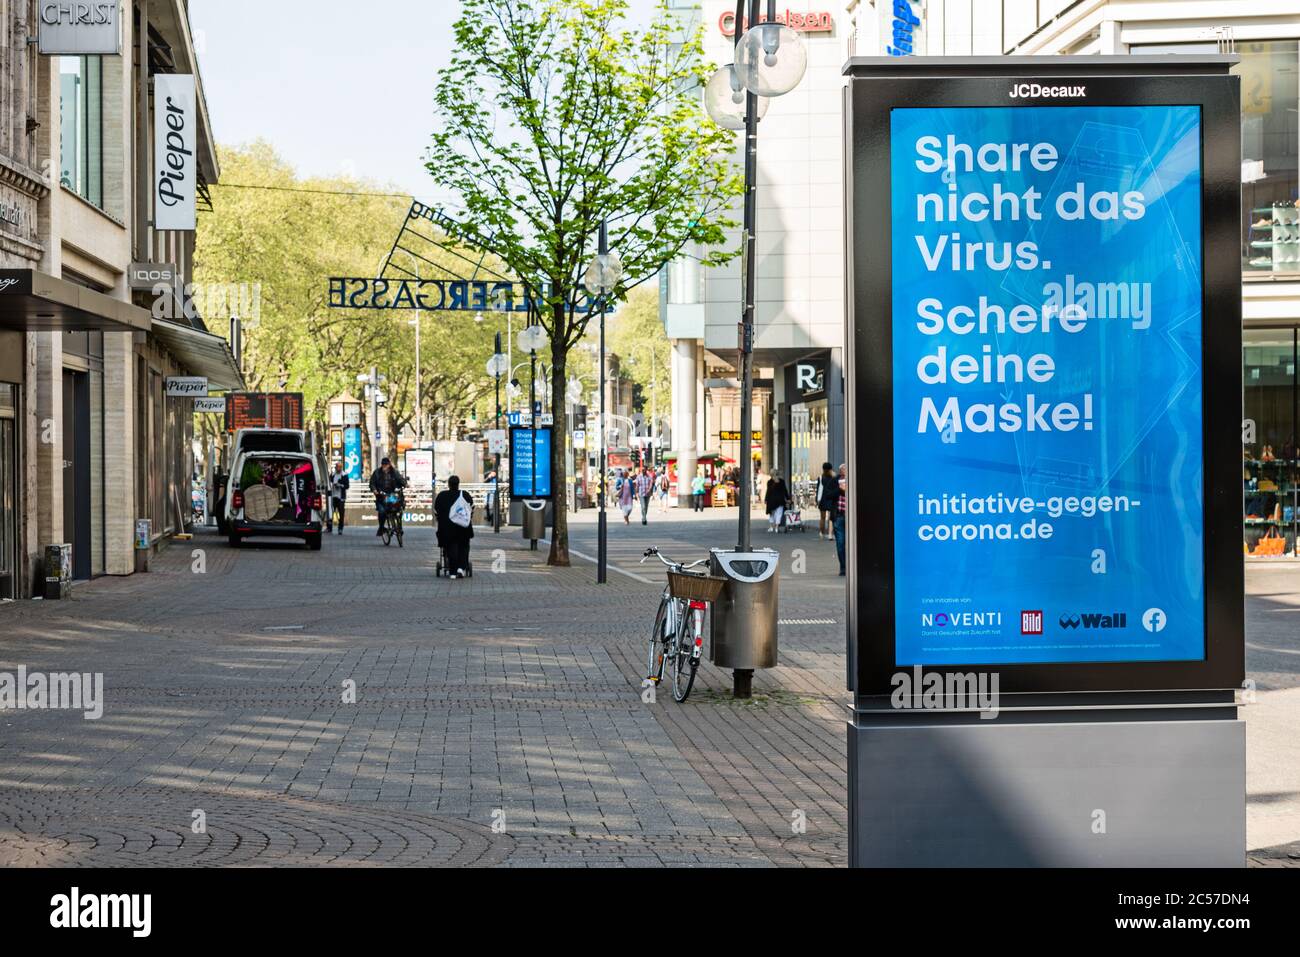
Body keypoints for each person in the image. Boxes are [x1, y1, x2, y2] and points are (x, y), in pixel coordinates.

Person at [434, 475, 475, 578]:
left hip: (446, 530)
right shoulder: (465, 495)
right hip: (462, 528)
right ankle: (461, 568)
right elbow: (471, 509)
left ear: (448, 484)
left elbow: (436, 512)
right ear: (458, 484)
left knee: (449, 546)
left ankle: (452, 572)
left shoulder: (441, 496)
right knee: (464, 545)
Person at [368, 457, 406, 538]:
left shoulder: (394, 472)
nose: (384, 466)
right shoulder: (377, 472)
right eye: (383, 464)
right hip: (381, 496)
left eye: (386, 464)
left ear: (389, 465)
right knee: (382, 511)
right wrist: (374, 490)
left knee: (399, 507)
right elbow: (372, 483)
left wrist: (405, 484)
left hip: (391, 495)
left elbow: (400, 479)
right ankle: (381, 527)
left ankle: (399, 526)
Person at [816, 461, 839, 540]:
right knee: (830, 518)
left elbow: (819, 489)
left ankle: (821, 533)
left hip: (822, 499)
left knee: (822, 517)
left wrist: (817, 500)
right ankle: (830, 534)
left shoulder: (820, 477)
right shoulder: (834, 477)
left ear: (823, 469)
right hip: (831, 498)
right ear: (830, 469)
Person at [327, 461, 351, 534]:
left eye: (340, 467)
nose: (339, 468)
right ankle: (329, 527)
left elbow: (347, 486)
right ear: (335, 467)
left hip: (341, 497)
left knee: (341, 513)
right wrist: (332, 485)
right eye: (338, 467)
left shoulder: (344, 475)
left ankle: (340, 528)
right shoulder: (332, 475)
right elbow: (329, 483)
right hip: (333, 496)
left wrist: (340, 485)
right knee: (331, 512)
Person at [833, 463, 847, 576]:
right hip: (839, 515)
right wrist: (839, 489)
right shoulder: (835, 481)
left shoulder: (854, 479)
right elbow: (828, 494)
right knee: (840, 543)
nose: (844, 471)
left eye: (845, 469)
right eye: (842, 469)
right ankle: (843, 567)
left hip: (851, 517)